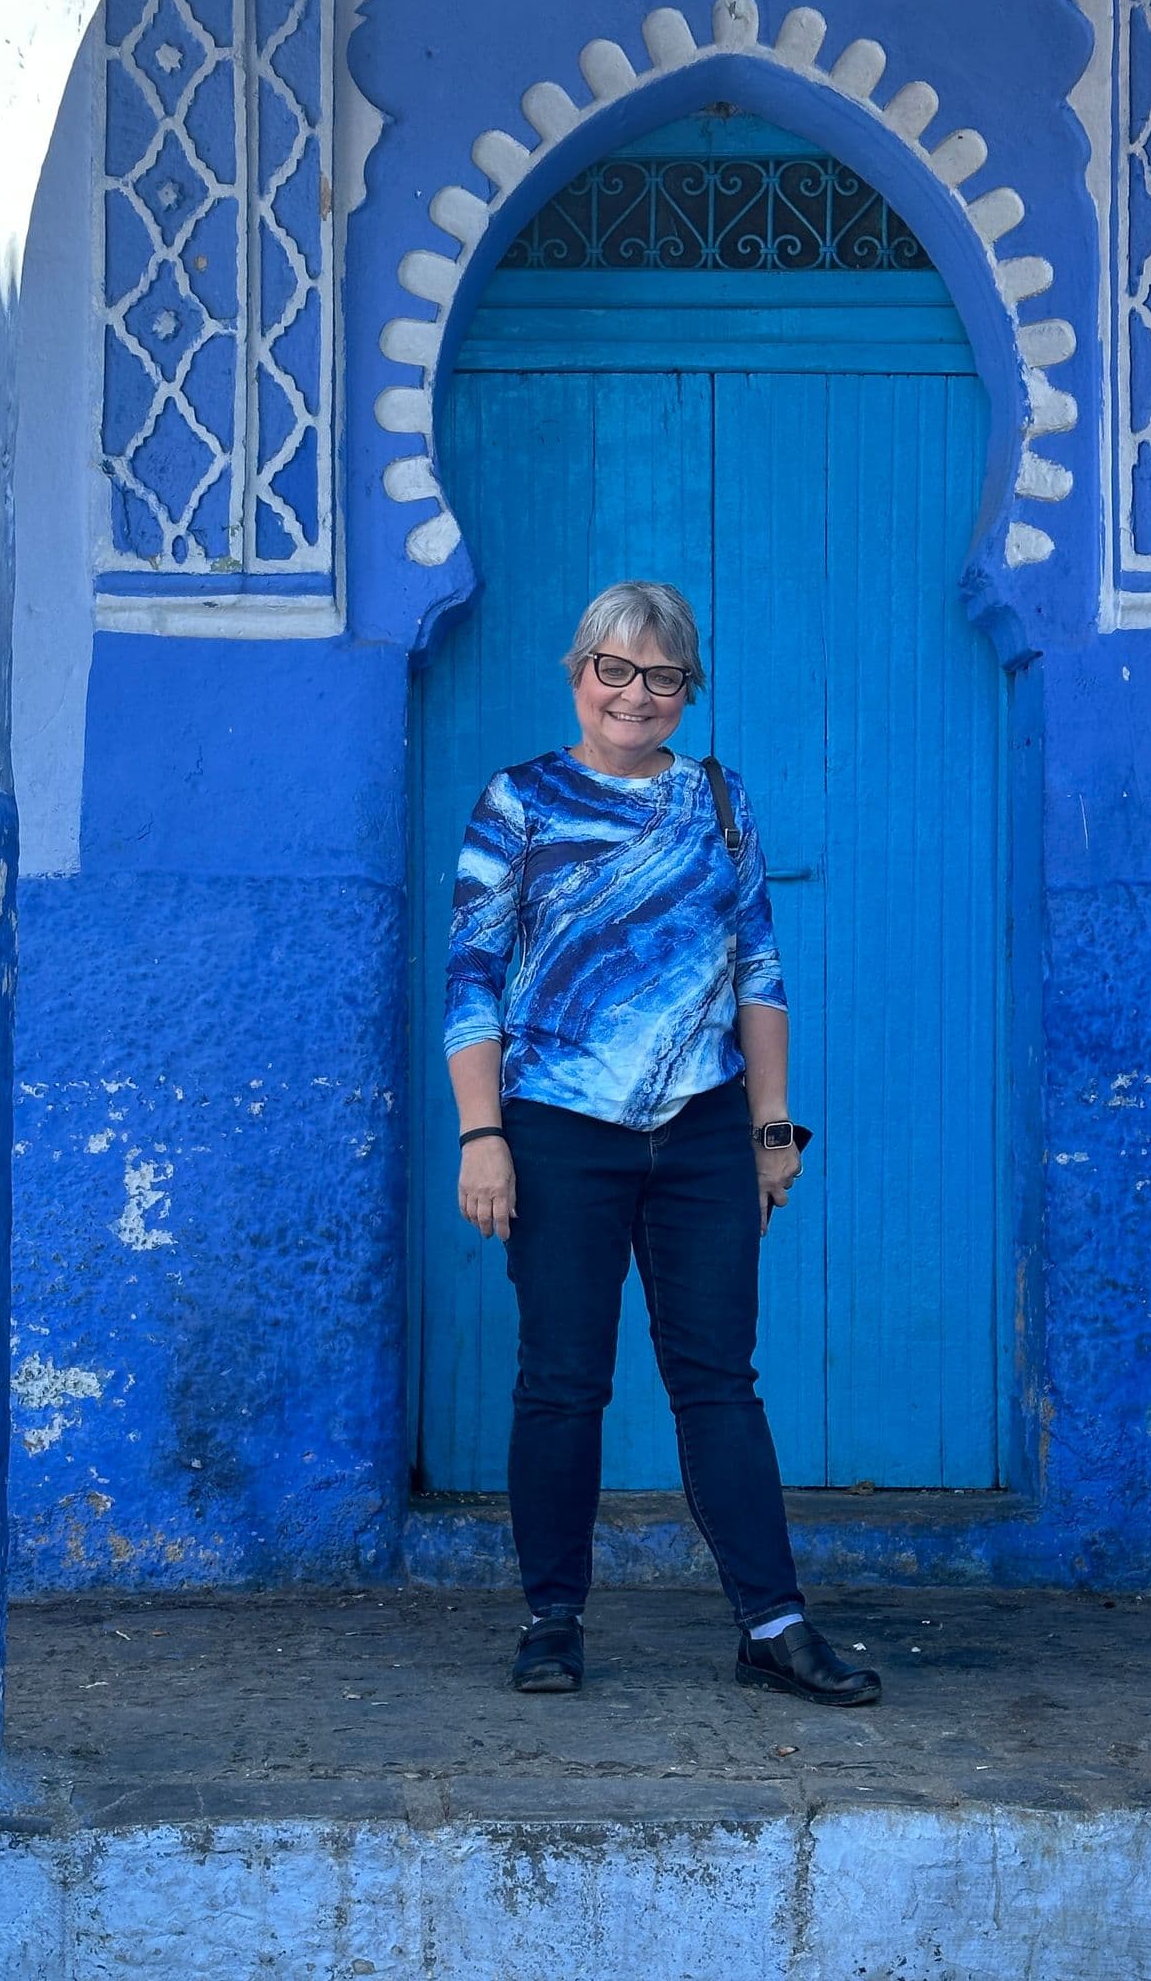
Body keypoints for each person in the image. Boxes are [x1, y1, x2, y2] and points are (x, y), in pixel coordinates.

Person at [443, 581, 880, 1707]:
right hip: (556, 1130)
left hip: (699, 1134)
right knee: (561, 1381)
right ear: (577, 671)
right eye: (615, 669)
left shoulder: (720, 802)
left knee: (719, 1382)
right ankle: (553, 1619)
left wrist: (771, 1130)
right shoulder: (519, 800)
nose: (635, 694)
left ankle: (774, 1624)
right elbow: (472, 980)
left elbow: (759, 974)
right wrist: (482, 1133)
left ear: (688, 688)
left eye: (663, 674)